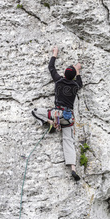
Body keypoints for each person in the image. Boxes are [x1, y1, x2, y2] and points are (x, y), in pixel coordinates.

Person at [32, 46, 82, 181]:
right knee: (68, 141)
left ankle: (49, 123)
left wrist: (55, 54)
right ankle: (73, 168)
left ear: (64, 74)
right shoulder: (76, 86)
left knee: (35, 111)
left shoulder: (59, 81)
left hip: (56, 115)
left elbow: (51, 68)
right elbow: (79, 81)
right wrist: (77, 70)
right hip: (68, 118)